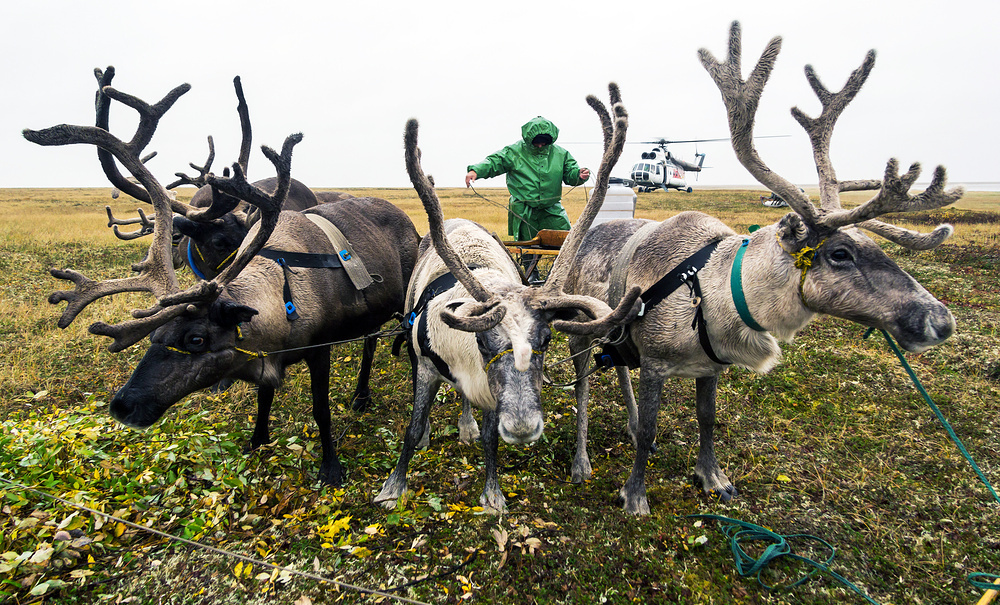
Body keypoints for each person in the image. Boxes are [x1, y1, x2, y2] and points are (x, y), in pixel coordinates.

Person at [465, 116, 590, 243]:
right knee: (527, 249)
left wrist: (579, 175)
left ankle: (560, 264)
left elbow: (571, 173)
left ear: (550, 140)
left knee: (566, 242)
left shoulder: (561, 154)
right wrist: (476, 171)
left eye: (544, 142)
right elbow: (494, 162)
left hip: (551, 209)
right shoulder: (513, 152)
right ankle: (527, 263)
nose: (540, 145)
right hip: (524, 210)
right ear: (529, 139)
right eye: (537, 142)